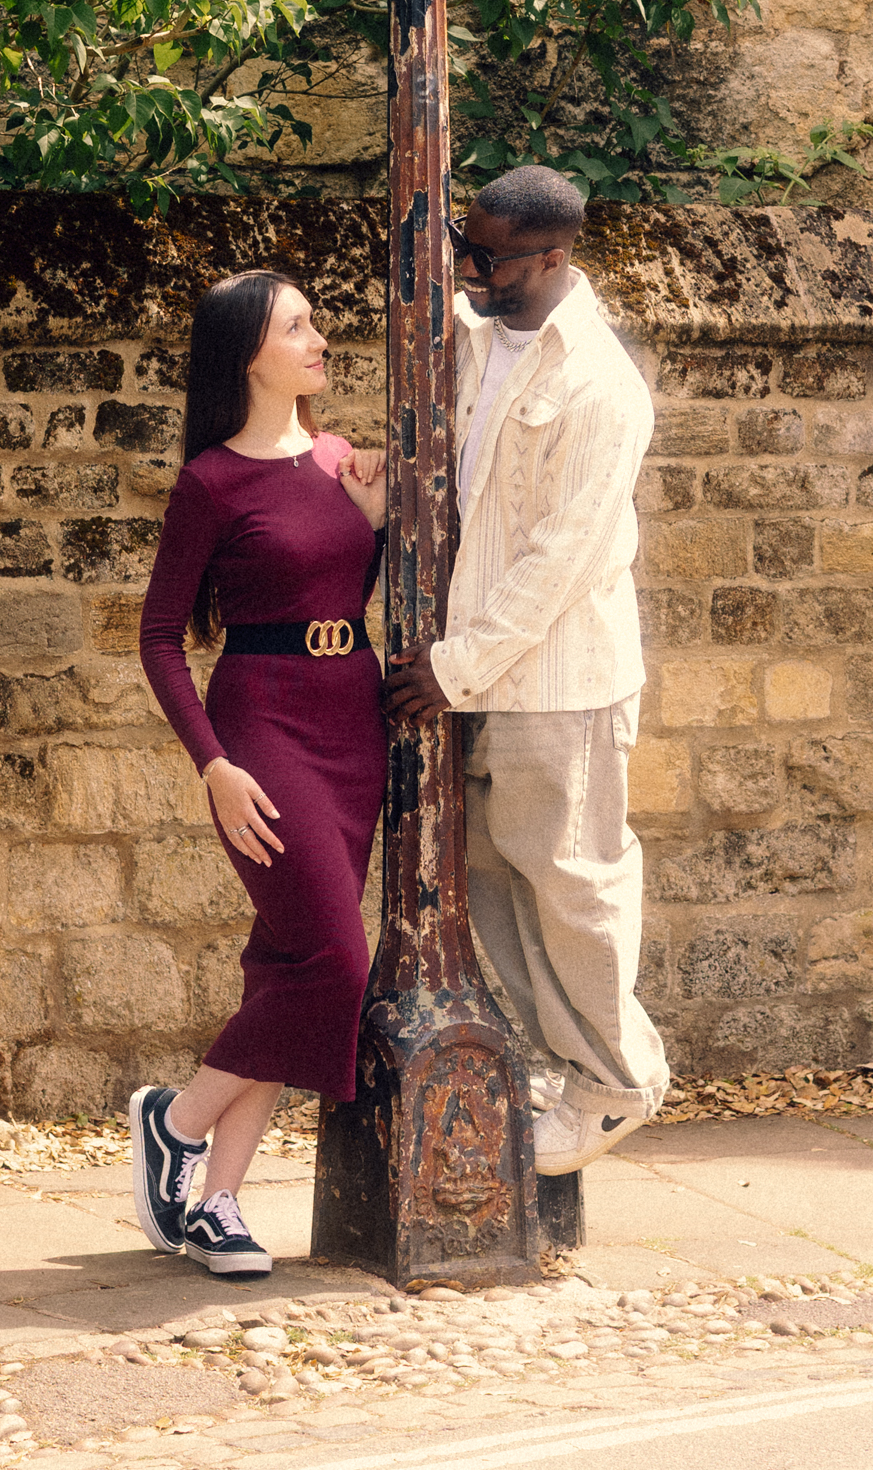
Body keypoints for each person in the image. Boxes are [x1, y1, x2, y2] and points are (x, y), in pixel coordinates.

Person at [383, 165, 666, 1175]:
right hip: (478, 673)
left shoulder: (598, 383)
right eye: (468, 242)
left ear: (554, 257)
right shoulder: (463, 338)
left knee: (573, 883)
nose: (469, 265)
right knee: (494, 880)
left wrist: (454, 667)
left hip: (559, 679)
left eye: (489, 254)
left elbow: (562, 555)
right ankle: (568, 1066)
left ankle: (618, 1081)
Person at [130, 269, 387, 1275]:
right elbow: (157, 638)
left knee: (292, 964)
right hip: (264, 724)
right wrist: (215, 766)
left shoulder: (338, 460)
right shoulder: (209, 483)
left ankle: (219, 1203)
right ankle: (176, 1119)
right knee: (337, 961)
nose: (319, 338)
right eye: (298, 325)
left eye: (316, 321)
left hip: (352, 717)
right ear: (248, 353)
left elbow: (357, 574)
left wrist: (375, 511)